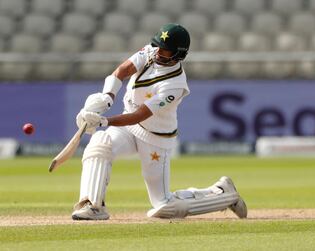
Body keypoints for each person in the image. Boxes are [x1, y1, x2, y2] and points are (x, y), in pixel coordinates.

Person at [72, 23, 247, 220]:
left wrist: (104, 121)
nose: (157, 53)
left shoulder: (175, 85)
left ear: (178, 55)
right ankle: (93, 205)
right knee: (100, 143)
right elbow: (121, 71)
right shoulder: (151, 51)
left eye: (164, 51)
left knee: (164, 207)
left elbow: (141, 114)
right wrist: (107, 98)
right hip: (130, 128)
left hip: (155, 138)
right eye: (157, 46)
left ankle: (223, 193)